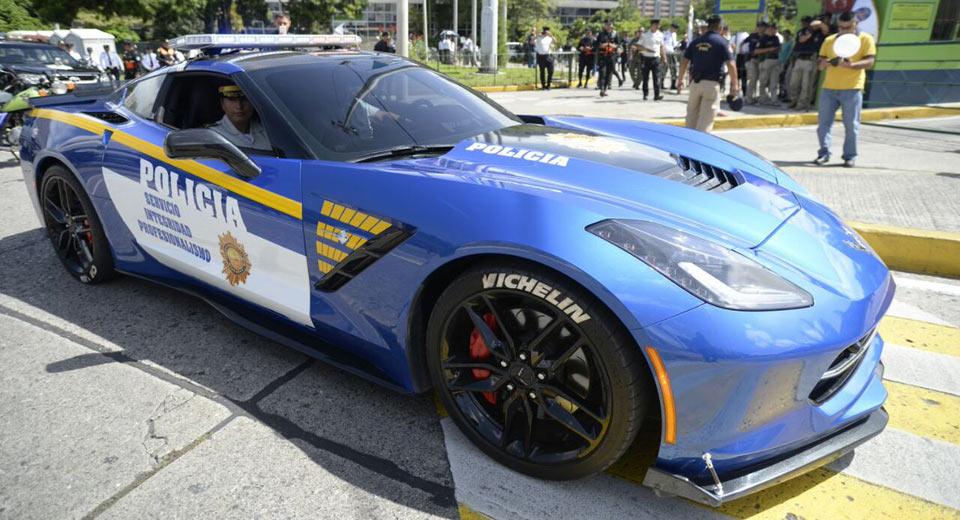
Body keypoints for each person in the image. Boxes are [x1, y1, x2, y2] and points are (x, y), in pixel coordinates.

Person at [814, 10, 876, 167]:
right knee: (823, 125)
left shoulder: (866, 39)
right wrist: (825, 63)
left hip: (852, 88)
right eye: (840, 28)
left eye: (847, 27)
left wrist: (850, 65)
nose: (843, 31)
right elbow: (820, 65)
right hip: (829, 88)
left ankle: (850, 156)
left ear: (856, 24)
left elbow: (869, 62)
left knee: (851, 126)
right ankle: (823, 153)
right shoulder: (829, 40)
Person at [678, 14, 739, 133]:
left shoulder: (696, 41)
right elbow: (731, 64)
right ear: (720, 28)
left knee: (691, 116)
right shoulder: (722, 42)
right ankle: (700, 143)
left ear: (708, 26)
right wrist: (735, 84)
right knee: (706, 120)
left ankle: (688, 141)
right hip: (711, 84)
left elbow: (684, 61)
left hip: (695, 83)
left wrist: (680, 79)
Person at [209, 85, 272, 151]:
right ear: (222, 104)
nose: (239, 106)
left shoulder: (268, 132)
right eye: (232, 99)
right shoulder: (212, 134)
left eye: (245, 99)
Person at [789, 16, 827, 110]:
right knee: (794, 83)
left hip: (811, 59)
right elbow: (802, 39)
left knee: (806, 84)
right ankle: (793, 100)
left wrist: (820, 24)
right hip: (799, 58)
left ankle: (802, 103)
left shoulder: (820, 33)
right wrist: (809, 32)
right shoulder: (803, 31)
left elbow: (826, 30)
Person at [638, 19, 666, 100]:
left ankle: (656, 95)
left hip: (656, 59)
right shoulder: (645, 35)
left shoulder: (660, 35)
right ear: (652, 25)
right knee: (645, 78)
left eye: (658, 24)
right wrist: (645, 49)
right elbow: (639, 46)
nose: (657, 26)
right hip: (646, 58)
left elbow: (662, 47)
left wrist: (664, 58)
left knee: (656, 77)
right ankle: (645, 94)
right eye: (656, 24)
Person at [755, 23, 781, 105]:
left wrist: (774, 49)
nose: (774, 30)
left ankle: (774, 100)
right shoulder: (763, 38)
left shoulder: (776, 38)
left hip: (775, 60)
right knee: (763, 81)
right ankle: (763, 99)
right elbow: (756, 51)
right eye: (772, 29)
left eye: (775, 29)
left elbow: (778, 48)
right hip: (765, 61)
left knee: (774, 82)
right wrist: (769, 49)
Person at [594, 20, 620, 97]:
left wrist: (614, 46)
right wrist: (602, 45)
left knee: (608, 74)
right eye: (607, 25)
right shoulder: (601, 34)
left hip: (611, 56)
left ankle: (605, 89)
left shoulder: (615, 34)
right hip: (603, 56)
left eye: (610, 24)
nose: (609, 26)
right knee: (602, 73)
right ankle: (601, 89)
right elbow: (596, 44)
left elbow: (618, 44)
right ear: (605, 26)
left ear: (612, 25)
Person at [743, 21, 764, 104]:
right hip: (752, 59)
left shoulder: (766, 37)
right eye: (758, 27)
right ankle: (749, 98)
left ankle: (757, 97)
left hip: (762, 60)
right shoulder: (752, 35)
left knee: (762, 80)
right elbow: (744, 43)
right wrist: (742, 49)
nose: (760, 28)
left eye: (761, 27)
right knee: (752, 79)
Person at [660, 23, 679, 91]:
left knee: (674, 68)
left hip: (672, 53)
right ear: (671, 27)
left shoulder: (674, 34)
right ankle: (661, 84)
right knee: (664, 68)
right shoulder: (665, 34)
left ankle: (673, 84)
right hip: (666, 53)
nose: (675, 30)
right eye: (674, 28)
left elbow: (674, 44)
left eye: (676, 29)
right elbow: (663, 44)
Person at [778, 29, 793, 100]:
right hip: (780, 61)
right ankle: (781, 92)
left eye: (786, 34)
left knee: (785, 78)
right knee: (780, 78)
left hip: (786, 62)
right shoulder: (782, 42)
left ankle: (786, 93)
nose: (784, 35)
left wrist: (787, 60)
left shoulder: (791, 42)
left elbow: (790, 52)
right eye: (783, 34)